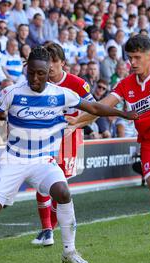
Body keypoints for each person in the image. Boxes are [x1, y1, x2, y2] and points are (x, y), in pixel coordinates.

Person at [0, 46, 137, 263]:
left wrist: (124, 114)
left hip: (44, 160)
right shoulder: (11, 92)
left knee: (63, 192)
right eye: (31, 72)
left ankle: (69, 250)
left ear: (48, 72)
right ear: (26, 69)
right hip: (13, 160)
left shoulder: (60, 94)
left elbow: (93, 106)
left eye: (41, 74)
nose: (36, 78)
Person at [69, 34, 150, 263]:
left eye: (137, 57)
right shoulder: (126, 84)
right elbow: (100, 107)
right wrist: (75, 123)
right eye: (130, 58)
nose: (133, 63)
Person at [31, 42, 95, 246]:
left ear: (63, 63)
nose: (50, 67)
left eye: (54, 62)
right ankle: (47, 230)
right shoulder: (38, 83)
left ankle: (51, 227)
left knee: (58, 187)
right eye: (47, 62)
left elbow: (94, 111)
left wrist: (75, 123)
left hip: (69, 140)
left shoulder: (77, 83)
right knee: (41, 184)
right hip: (42, 139)